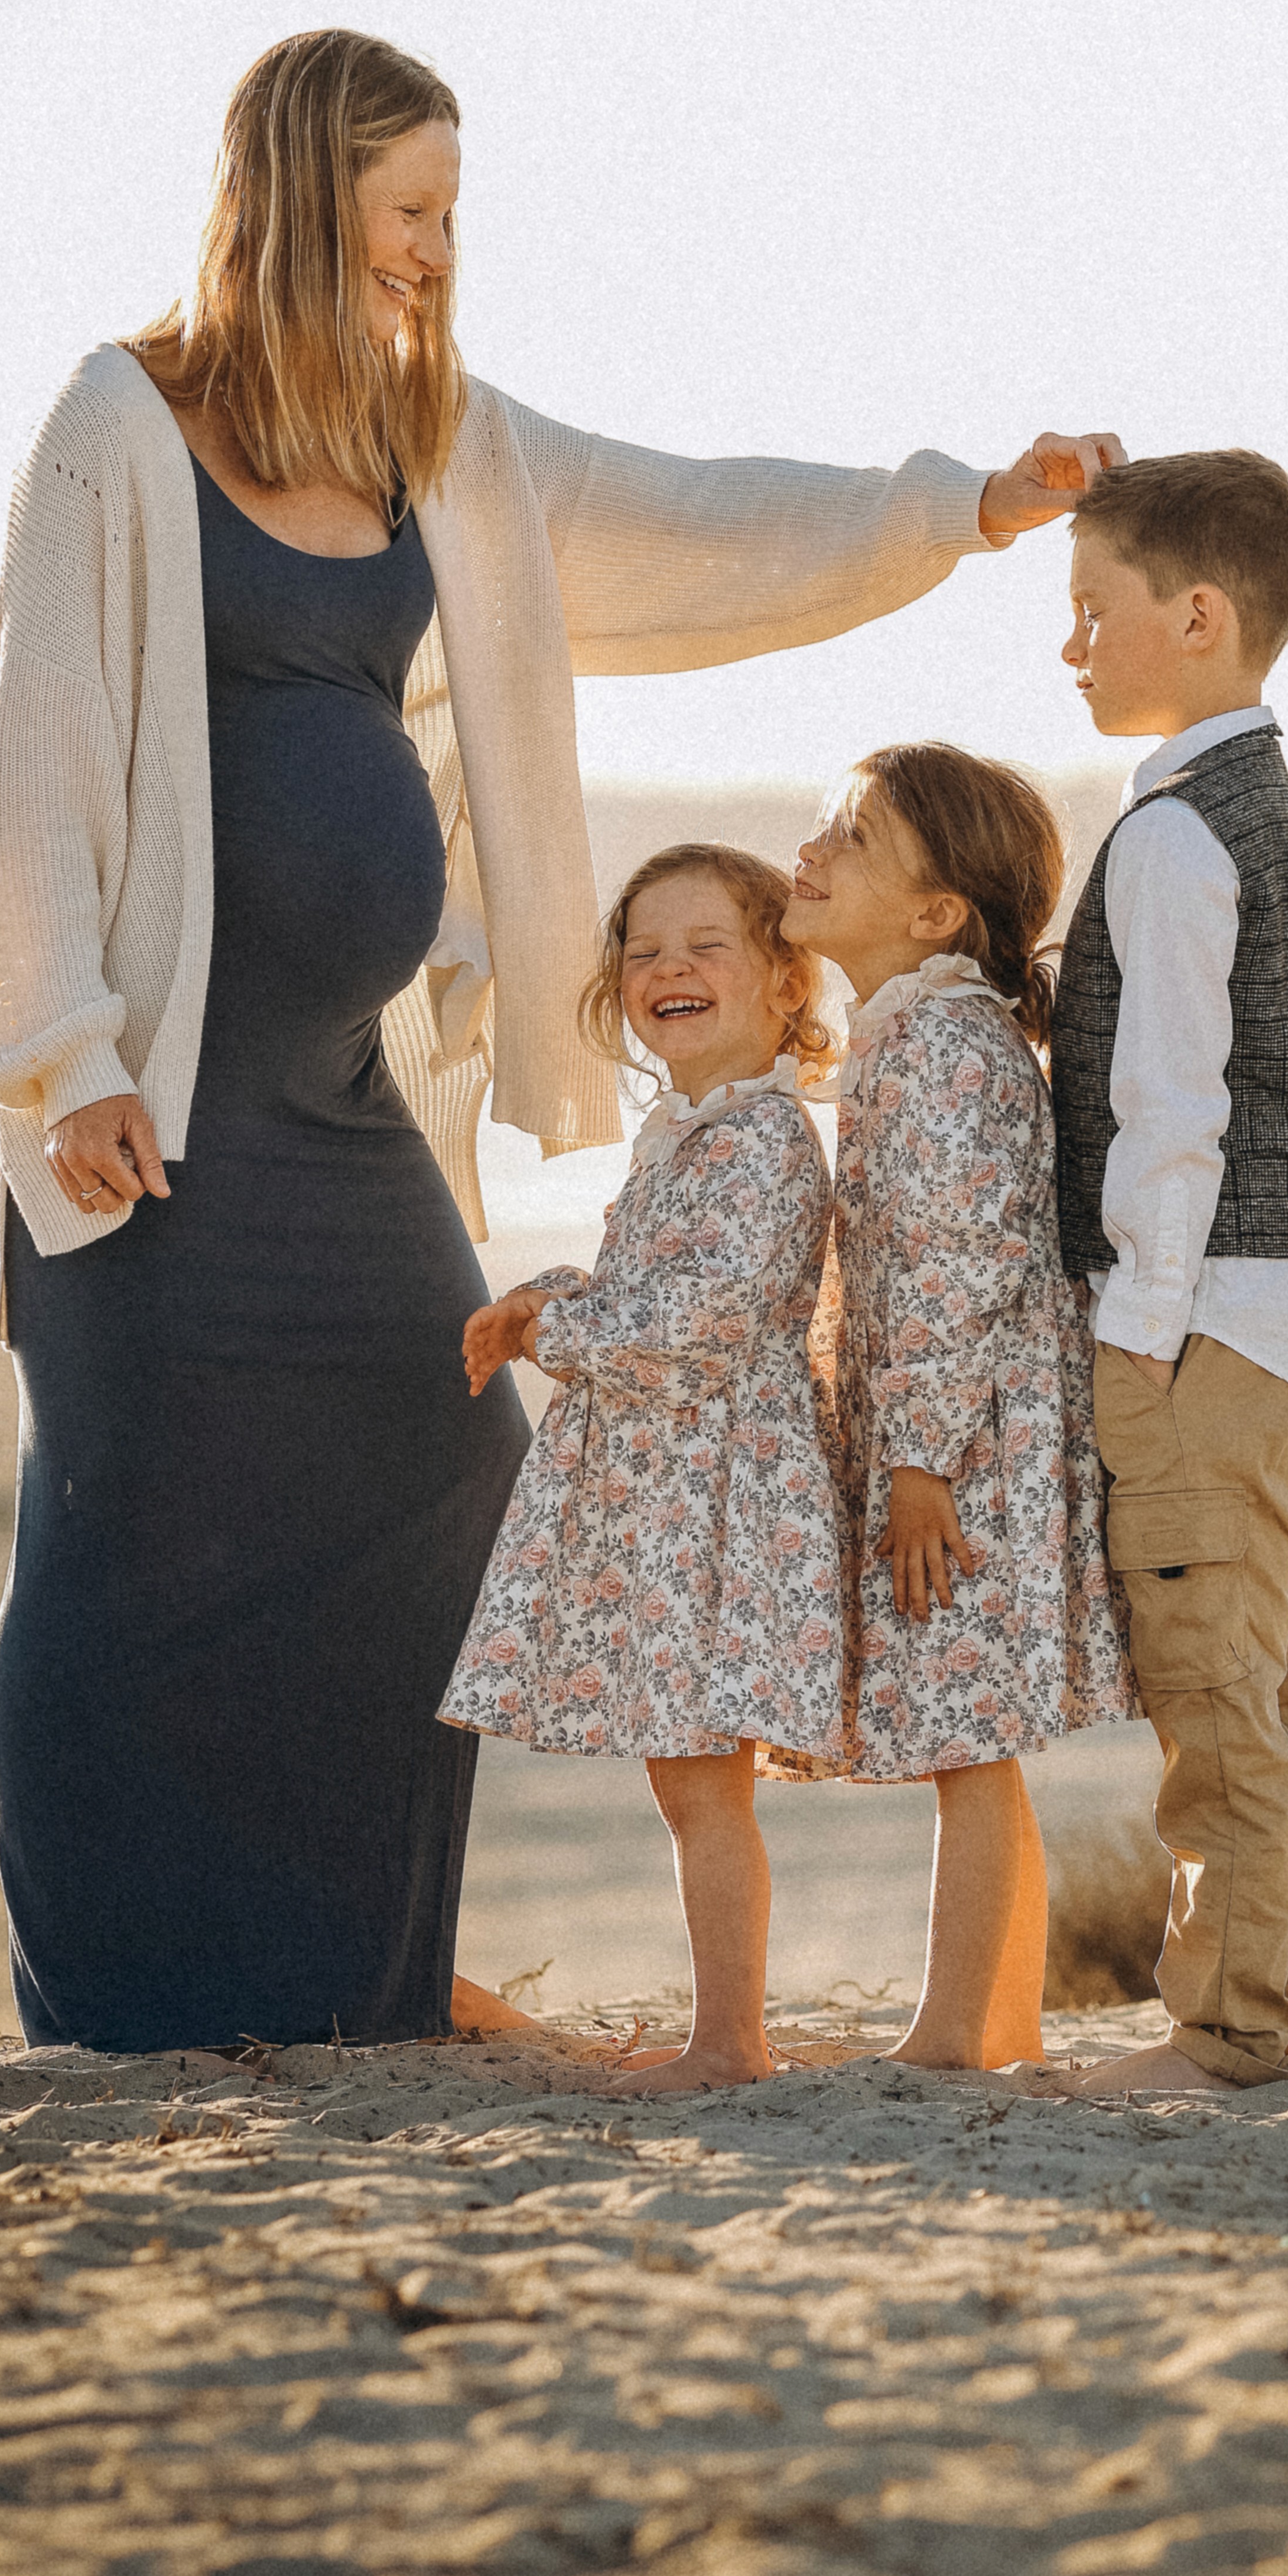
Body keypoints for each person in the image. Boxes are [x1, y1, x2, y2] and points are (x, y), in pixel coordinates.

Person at [0, 24, 1111, 2052]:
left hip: (339, 1105)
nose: (430, 253)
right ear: (302, 196)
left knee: (441, 1476)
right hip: (151, 1110)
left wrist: (962, 513)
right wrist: (68, 1055)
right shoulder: (117, 429)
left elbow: (693, 526)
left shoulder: (448, 444)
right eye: (406, 214)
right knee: (125, 1539)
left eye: (448, 218)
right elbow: (36, 749)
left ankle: (363, 1974)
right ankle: (122, 1991)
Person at [1048, 453, 1288, 2097]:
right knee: (1281, 1686)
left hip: (1216, 1322)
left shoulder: (1175, 835)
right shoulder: (1261, 803)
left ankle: (1240, 2034)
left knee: (1214, 1700)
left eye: (1092, 613)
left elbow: (1172, 1117)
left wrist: (1136, 1333)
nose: (1074, 650)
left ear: (1196, 618)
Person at [442, 847, 844, 2091]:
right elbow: (645, 1290)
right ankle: (723, 2033)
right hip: (678, 1492)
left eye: (705, 945)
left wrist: (558, 1332)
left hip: (718, 1503)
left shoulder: (764, 1138)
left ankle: (729, 2045)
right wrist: (547, 1296)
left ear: (786, 985)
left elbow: (702, 1315)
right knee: (688, 1783)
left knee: (703, 1783)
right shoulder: (689, 1130)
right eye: (642, 950)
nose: (667, 967)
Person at [782, 744, 1134, 2071]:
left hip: (964, 1440)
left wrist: (916, 1460)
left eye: (853, 839)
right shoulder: (916, 1031)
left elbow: (959, 1260)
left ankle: (948, 2035)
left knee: (964, 1744)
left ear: (937, 917)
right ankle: (1002, 2025)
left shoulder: (938, 1045)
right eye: (821, 825)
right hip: (963, 1417)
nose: (808, 854)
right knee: (969, 1736)